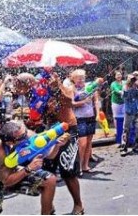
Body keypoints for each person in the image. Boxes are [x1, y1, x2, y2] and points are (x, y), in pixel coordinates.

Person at [15, 72, 84, 215]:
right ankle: (49, 208)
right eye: (19, 85)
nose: (19, 89)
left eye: (21, 84)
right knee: (46, 171)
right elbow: (40, 112)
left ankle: (78, 205)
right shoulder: (33, 92)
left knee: (68, 170)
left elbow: (70, 101)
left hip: (67, 129)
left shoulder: (62, 85)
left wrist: (57, 87)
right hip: (49, 131)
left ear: (28, 82)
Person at [0, 120, 67, 215]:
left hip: (12, 171)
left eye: (25, 132)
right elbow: (7, 182)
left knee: (49, 180)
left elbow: (50, 156)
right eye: (22, 137)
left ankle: (47, 212)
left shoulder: (26, 134)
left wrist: (56, 145)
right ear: (10, 142)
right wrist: (28, 168)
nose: (27, 136)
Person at [71, 69, 100, 174]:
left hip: (90, 116)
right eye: (78, 78)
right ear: (73, 79)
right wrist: (83, 102)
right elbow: (72, 103)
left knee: (88, 142)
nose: (81, 80)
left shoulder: (90, 87)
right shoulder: (73, 89)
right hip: (79, 118)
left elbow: (96, 101)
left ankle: (85, 165)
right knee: (82, 143)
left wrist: (98, 114)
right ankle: (78, 166)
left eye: (82, 78)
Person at [120, 74, 138, 156]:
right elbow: (124, 96)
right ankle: (124, 147)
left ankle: (136, 146)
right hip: (128, 111)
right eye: (131, 80)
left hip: (137, 111)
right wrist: (128, 87)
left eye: (134, 79)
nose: (133, 81)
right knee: (126, 130)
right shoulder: (125, 87)